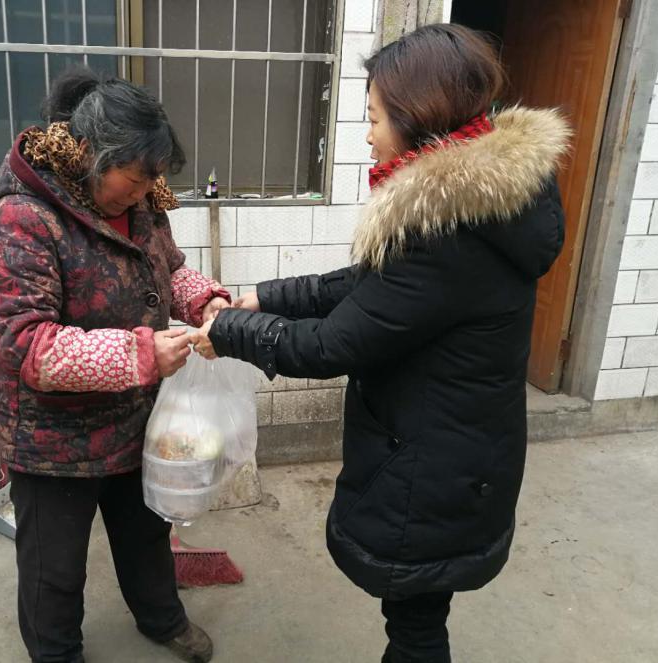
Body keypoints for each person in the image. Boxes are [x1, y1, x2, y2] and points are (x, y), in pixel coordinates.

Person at [192, 24, 569, 662]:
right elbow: (372, 285)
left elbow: (330, 346)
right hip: (462, 453)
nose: (367, 135)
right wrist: (266, 297)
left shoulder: (448, 234)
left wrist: (226, 332)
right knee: (419, 617)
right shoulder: (478, 207)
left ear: (417, 117)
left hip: (434, 469)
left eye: (373, 118)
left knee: (415, 630)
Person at [0, 68, 229, 663]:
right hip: (52, 437)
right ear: (89, 153)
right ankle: (56, 654)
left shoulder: (143, 207)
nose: (144, 191)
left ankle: (162, 620)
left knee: (147, 535)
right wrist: (142, 353)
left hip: (132, 419)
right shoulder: (22, 220)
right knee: (55, 566)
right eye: (135, 178)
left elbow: (168, 270)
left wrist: (204, 299)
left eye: (152, 179)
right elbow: (25, 344)